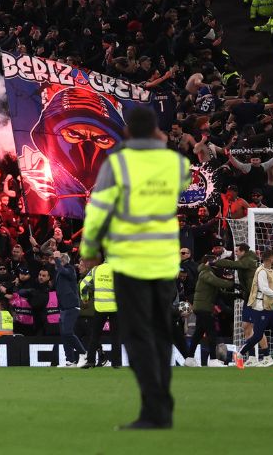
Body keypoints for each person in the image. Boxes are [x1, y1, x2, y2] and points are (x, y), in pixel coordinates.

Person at [80, 106, 191, 430]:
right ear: (157, 132)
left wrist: (88, 249)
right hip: (165, 262)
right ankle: (163, 406)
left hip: (129, 262)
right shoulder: (174, 163)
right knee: (160, 333)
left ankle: (154, 410)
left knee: (138, 336)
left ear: (127, 133)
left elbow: (98, 209)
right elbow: (184, 179)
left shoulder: (118, 164)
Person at [235, 250, 273, 369]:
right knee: (257, 336)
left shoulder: (271, 271)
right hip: (261, 308)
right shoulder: (261, 272)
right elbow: (265, 289)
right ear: (270, 258)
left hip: (271, 307)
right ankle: (239, 354)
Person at [185, 261, 234, 367]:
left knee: (198, 334)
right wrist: (232, 283)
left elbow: (221, 293)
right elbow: (219, 283)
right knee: (211, 333)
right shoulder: (206, 273)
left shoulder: (206, 273)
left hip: (202, 308)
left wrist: (237, 294)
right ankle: (213, 359)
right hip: (204, 308)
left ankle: (189, 358)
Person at [77, 260, 116, 368]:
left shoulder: (95, 272)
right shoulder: (118, 269)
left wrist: (85, 299)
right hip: (111, 308)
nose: (79, 267)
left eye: (81, 265)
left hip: (97, 309)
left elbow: (83, 287)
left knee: (94, 336)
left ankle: (93, 360)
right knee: (113, 336)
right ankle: (113, 362)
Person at [52, 251, 85, 367]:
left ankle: (83, 353)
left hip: (72, 306)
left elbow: (62, 270)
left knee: (68, 332)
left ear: (64, 261)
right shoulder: (59, 273)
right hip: (64, 308)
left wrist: (56, 258)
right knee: (64, 335)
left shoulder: (70, 269)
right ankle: (70, 361)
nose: (56, 262)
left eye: (59, 260)